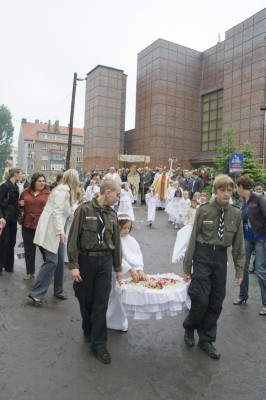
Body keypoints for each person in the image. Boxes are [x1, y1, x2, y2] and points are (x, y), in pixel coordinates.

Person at [182, 174, 245, 359]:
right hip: (202, 254)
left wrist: (240, 270)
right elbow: (192, 239)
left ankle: (206, 339)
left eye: (229, 190)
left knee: (216, 300)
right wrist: (187, 267)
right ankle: (189, 327)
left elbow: (239, 245)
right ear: (215, 191)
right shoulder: (204, 210)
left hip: (220, 258)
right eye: (222, 190)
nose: (226, 193)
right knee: (200, 299)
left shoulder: (236, 213)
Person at [67, 179, 122, 365]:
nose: (118, 197)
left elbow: (117, 244)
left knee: (101, 303)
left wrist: (118, 268)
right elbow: (73, 239)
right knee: (85, 299)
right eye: (117, 194)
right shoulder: (84, 210)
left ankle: (99, 344)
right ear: (107, 192)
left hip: (105, 261)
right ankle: (88, 326)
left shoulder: (113, 215)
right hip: (86, 261)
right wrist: (73, 265)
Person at [28, 169, 80, 306]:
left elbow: (67, 213)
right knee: (52, 261)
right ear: (73, 180)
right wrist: (60, 232)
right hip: (51, 230)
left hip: (57, 229)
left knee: (60, 260)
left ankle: (58, 290)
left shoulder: (66, 191)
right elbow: (56, 213)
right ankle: (36, 293)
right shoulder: (62, 191)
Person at [106, 214, 148, 331]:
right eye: (124, 228)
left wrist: (140, 269)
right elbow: (117, 256)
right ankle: (109, 319)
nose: (127, 230)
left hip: (127, 271)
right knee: (112, 294)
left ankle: (120, 321)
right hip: (116, 270)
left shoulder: (131, 240)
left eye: (129, 228)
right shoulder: (114, 239)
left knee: (120, 297)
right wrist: (129, 269)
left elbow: (136, 254)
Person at [233, 175, 266, 316]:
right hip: (246, 237)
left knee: (259, 269)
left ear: (241, 187)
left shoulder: (258, 198)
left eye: (236, 187)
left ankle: (265, 303)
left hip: (260, 237)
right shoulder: (241, 201)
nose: (235, 190)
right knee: (243, 267)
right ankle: (243, 296)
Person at [19, 173, 50, 280]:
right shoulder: (25, 192)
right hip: (27, 224)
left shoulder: (48, 193)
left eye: (43, 181)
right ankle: (29, 272)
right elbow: (19, 202)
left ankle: (49, 270)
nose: (42, 183)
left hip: (42, 225)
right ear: (33, 182)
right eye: (39, 181)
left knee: (44, 249)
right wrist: (20, 203)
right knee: (29, 250)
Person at [0, 167, 23, 275]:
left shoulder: (15, 186)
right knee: (4, 242)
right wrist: (1, 217)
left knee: (12, 242)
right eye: (21, 173)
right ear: (15, 174)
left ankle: (9, 266)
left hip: (13, 217)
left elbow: (14, 202)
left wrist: (19, 206)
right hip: (5, 217)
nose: (22, 175)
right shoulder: (5, 186)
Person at [172, 198, 197, 263]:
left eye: (195, 203)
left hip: (195, 226)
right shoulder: (189, 210)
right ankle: (182, 251)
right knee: (186, 239)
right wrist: (186, 223)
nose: (193, 204)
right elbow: (186, 217)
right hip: (190, 225)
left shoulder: (198, 210)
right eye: (192, 203)